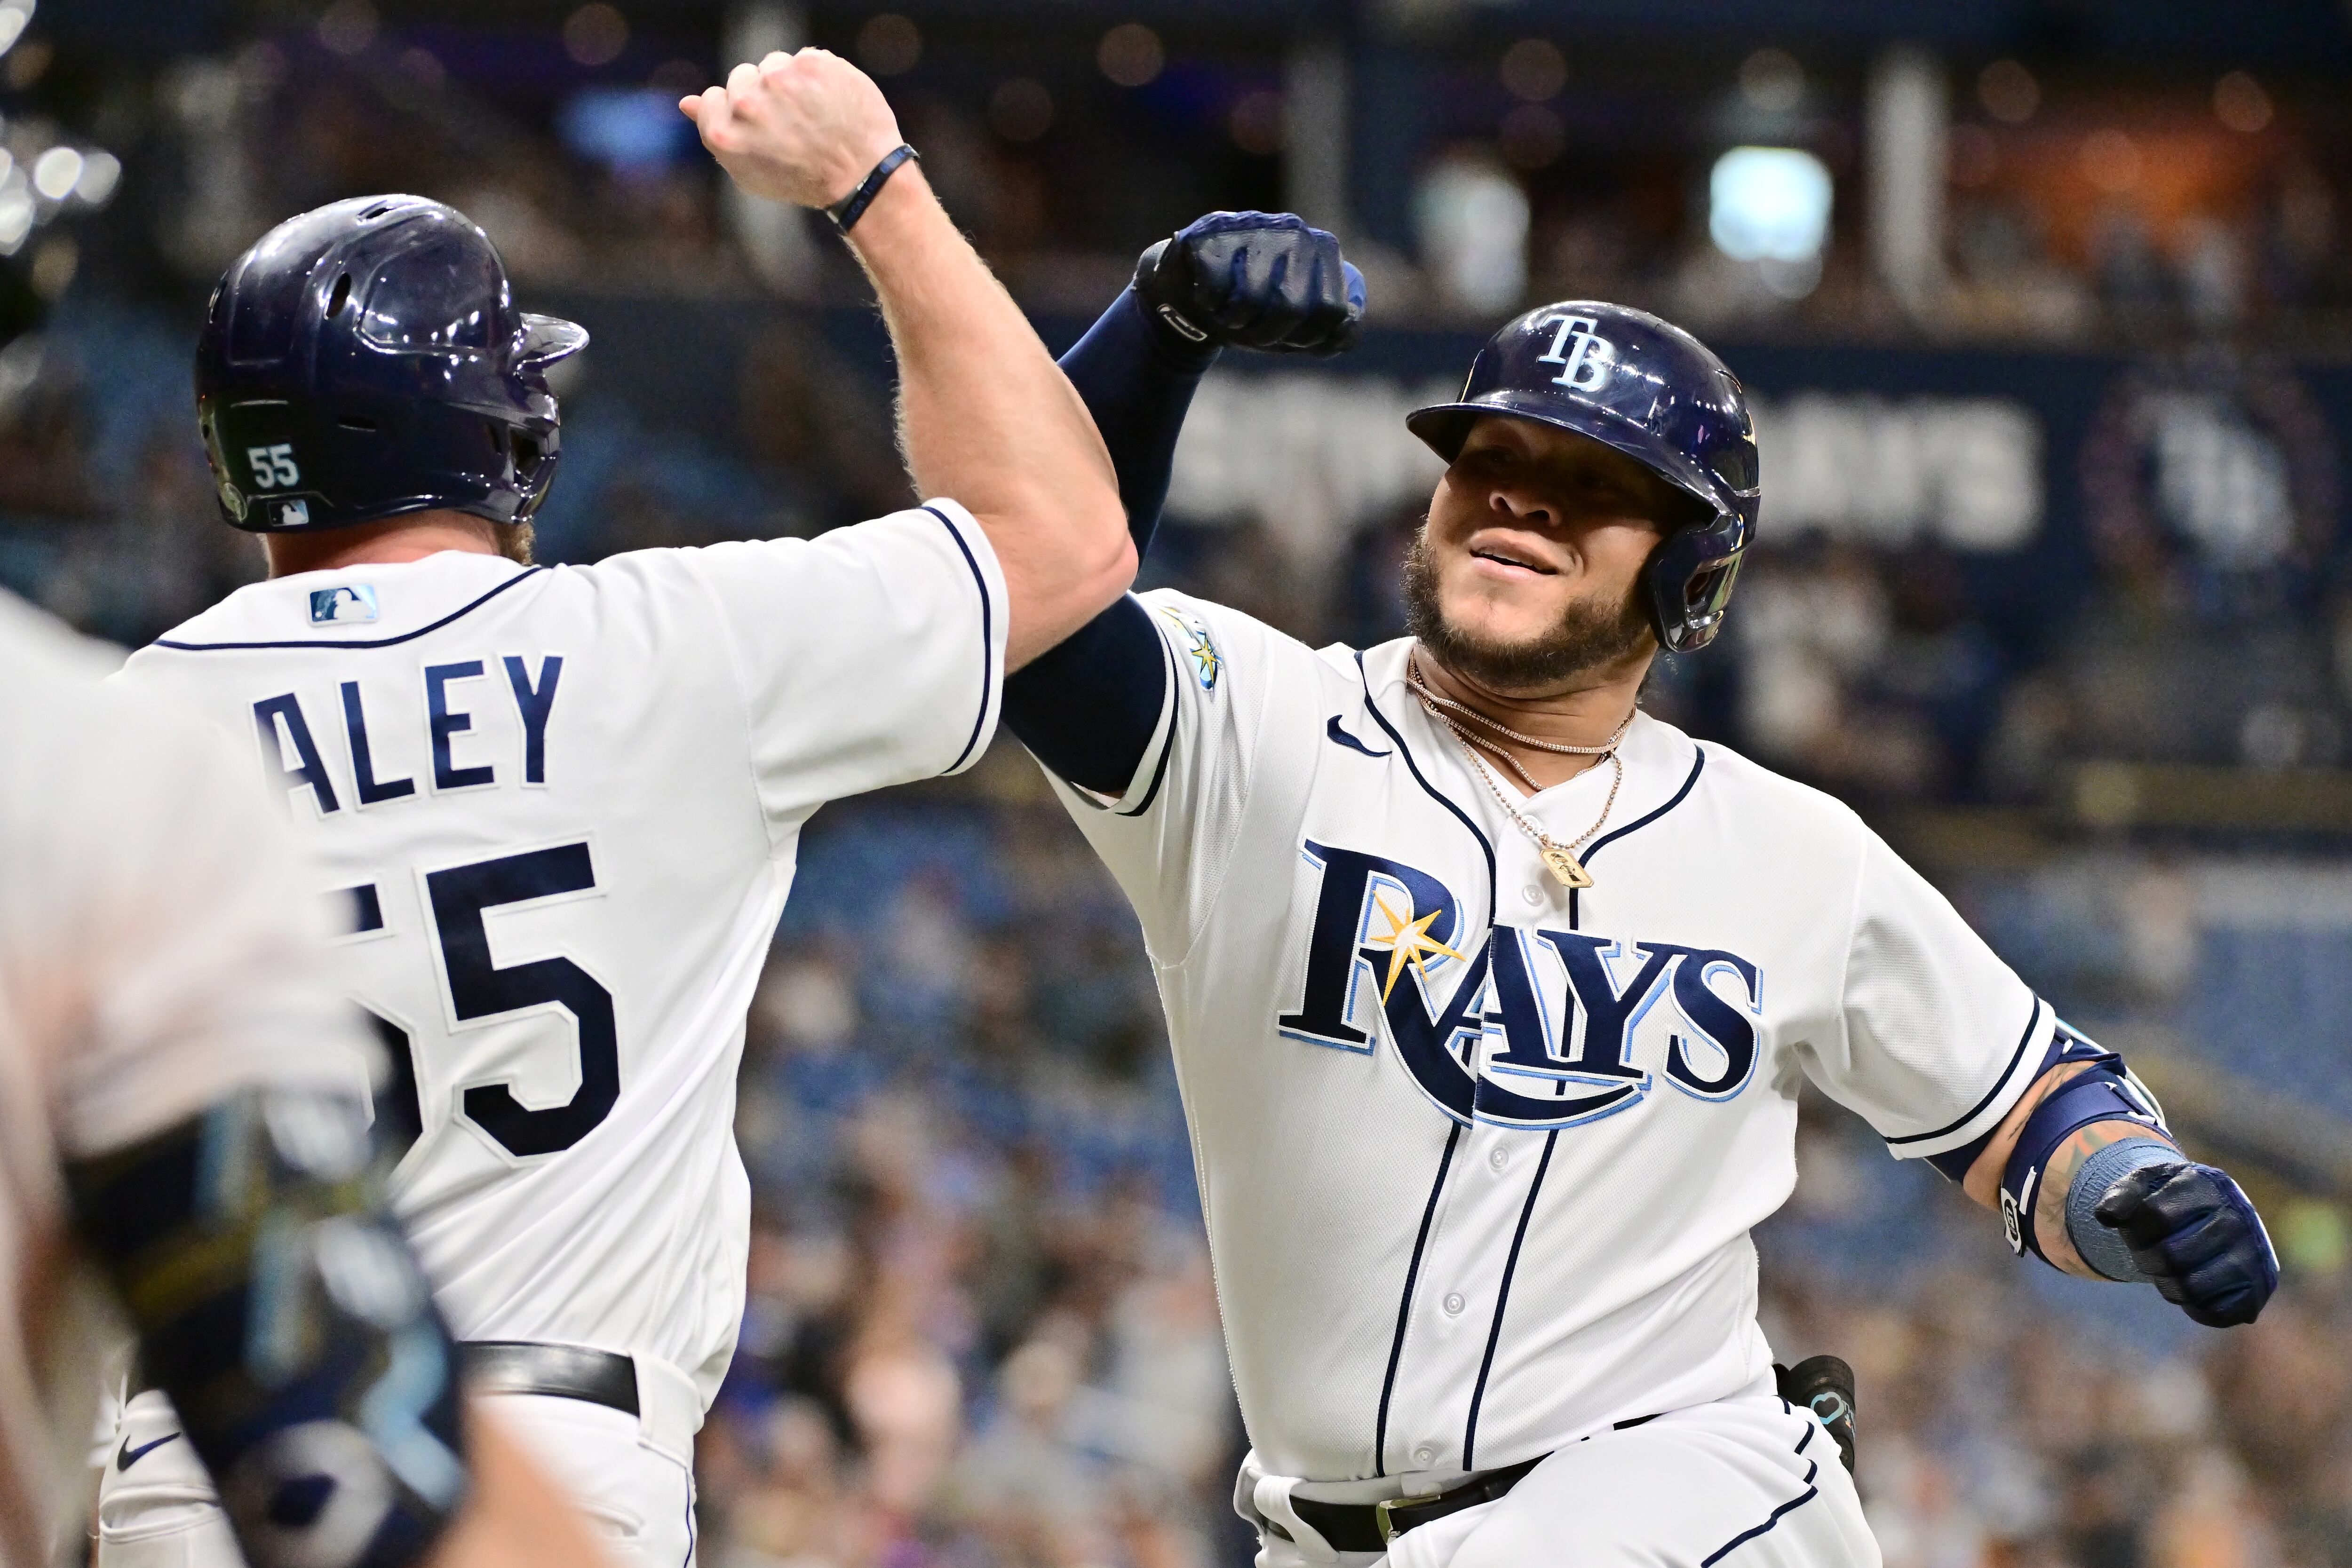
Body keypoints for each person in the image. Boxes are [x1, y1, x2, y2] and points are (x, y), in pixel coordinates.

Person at [1002, 225, 2280, 1566]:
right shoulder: (1264, 730)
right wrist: (1156, 330)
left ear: (1695, 573)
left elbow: (2024, 1098)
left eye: (1592, 484)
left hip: (1685, 1491)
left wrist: (2129, 1183)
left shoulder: (1789, 849)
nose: (1519, 500)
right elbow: (1036, 609)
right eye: (1490, 460)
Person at [101, 46, 1129, 1568]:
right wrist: (875, 188)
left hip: (198, 1457)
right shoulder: (674, 645)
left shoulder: (98, 730)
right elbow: (1066, 534)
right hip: (547, 1452)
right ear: (512, 434)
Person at [0, 587, 612, 1568]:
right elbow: (345, 1460)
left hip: (153, 1464)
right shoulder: (85, 763)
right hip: (565, 1388)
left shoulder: (142, 703)